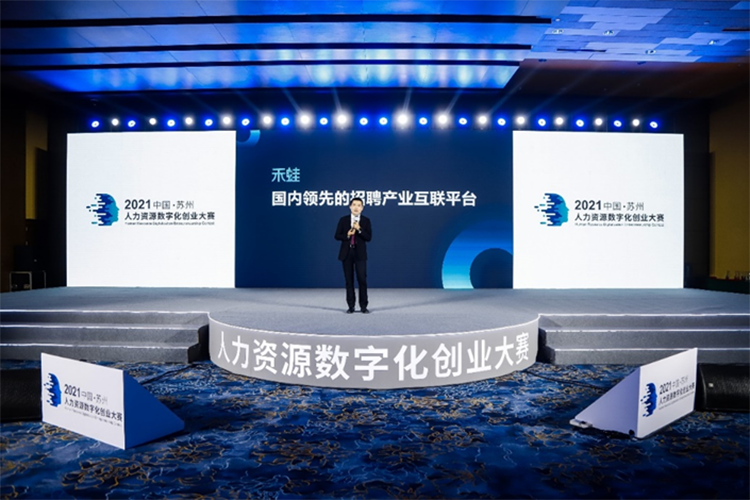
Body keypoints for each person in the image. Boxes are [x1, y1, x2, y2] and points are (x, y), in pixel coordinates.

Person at [335, 197, 372, 313]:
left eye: (359, 205)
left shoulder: (366, 221)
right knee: (349, 280)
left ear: (362, 208)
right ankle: (351, 306)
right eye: (354, 205)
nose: (356, 207)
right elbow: (337, 235)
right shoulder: (343, 220)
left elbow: (369, 237)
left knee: (362, 279)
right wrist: (347, 235)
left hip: (360, 253)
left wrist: (359, 229)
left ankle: (363, 306)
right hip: (347, 253)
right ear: (350, 206)